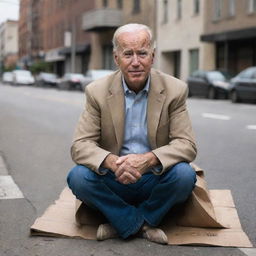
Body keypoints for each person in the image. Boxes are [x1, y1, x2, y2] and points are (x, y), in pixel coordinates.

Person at [67, 23, 197, 245]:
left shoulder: (175, 90)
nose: (136, 62)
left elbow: (187, 145)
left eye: (142, 53)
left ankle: (121, 223)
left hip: (155, 178)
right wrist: (113, 163)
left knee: (185, 175)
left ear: (153, 56)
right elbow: (80, 145)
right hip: (114, 178)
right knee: (78, 177)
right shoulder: (96, 92)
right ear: (116, 59)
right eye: (128, 54)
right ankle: (140, 224)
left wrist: (147, 160)